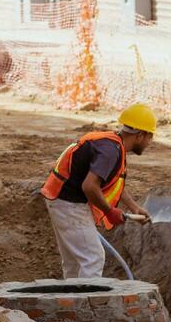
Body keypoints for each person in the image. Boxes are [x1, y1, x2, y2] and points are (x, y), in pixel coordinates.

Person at [40, 104, 155, 278]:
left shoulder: (111, 144)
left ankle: (71, 301)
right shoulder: (110, 151)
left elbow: (112, 182)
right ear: (140, 135)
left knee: (74, 261)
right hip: (69, 203)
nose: (150, 142)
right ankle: (85, 303)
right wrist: (109, 211)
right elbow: (90, 186)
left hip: (61, 199)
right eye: (149, 137)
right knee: (93, 258)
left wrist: (133, 207)